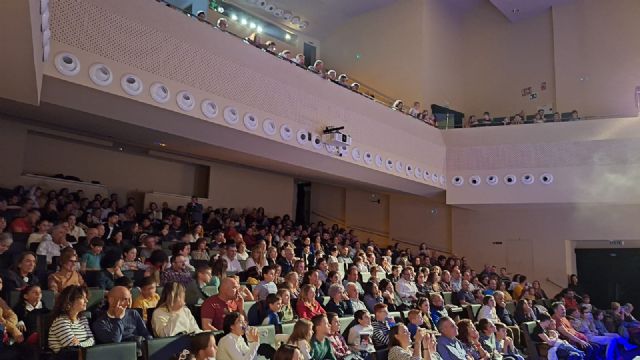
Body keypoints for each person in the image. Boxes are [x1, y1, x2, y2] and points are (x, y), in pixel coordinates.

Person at [48, 285, 95, 353]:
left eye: (86, 298)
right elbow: (72, 347)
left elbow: (92, 341)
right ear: (70, 301)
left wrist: (80, 344)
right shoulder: (60, 321)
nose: (86, 301)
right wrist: (86, 343)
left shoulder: (83, 319)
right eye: (82, 298)